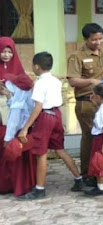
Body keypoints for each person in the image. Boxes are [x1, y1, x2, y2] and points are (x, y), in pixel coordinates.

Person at [17, 52, 82, 200]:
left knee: (41, 153)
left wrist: (26, 127)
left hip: (45, 116)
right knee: (60, 150)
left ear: (36, 66)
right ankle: (78, 179)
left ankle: (39, 189)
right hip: (57, 114)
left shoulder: (40, 83)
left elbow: (38, 106)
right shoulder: (55, 81)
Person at [67, 23, 103, 183]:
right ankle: (88, 172)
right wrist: (91, 81)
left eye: (100, 39)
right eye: (94, 40)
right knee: (91, 137)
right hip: (86, 102)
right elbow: (72, 80)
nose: (98, 42)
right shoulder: (77, 56)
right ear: (86, 39)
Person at [0, 37, 36, 196]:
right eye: (3, 51)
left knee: (11, 147)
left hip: (13, 119)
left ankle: (13, 183)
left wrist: (8, 92)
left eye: (9, 51)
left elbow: (23, 96)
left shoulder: (19, 71)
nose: (6, 55)